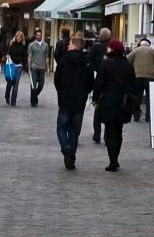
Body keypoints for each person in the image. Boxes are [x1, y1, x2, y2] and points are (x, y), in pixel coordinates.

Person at [51, 33, 96, 171]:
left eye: (70, 44)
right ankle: (71, 158)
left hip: (65, 100)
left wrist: (61, 91)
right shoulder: (87, 62)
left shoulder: (64, 60)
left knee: (61, 128)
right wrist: (84, 92)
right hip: (79, 101)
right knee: (74, 131)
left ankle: (66, 147)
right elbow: (90, 83)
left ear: (74, 46)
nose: (68, 45)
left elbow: (57, 80)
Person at [92, 38, 138, 171]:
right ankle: (115, 158)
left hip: (108, 101)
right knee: (118, 131)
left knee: (110, 131)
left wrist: (95, 98)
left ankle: (112, 160)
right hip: (123, 103)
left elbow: (99, 83)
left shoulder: (106, 64)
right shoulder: (128, 65)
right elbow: (133, 84)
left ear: (112, 50)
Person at [130, 32, 154, 120]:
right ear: (148, 45)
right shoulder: (152, 51)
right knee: (149, 97)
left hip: (138, 76)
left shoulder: (136, 50)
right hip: (149, 77)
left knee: (138, 97)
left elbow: (128, 59)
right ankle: (148, 116)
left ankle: (136, 116)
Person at [26, 30, 50, 107]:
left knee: (41, 85)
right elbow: (29, 57)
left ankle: (35, 95)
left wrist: (48, 68)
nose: (38, 36)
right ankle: (33, 101)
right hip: (34, 67)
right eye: (37, 35)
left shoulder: (45, 45)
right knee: (33, 84)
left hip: (42, 67)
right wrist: (29, 68)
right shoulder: (31, 45)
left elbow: (46, 57)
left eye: (40, 35)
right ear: (35, 36)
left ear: (42, 36)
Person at [2, 31, 25, 105]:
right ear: (15, 37)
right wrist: (7, 55)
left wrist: (24, 66)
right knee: (10, 82)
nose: (19, 38)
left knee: (16, 84)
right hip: (11, 65)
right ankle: (7, 96)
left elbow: (24, 56)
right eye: (18, 36)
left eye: (20, 37)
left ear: (22, 38)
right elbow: (6, 51)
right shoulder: (11, 44)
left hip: (19, 67)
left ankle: (13, 101)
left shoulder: (23, 46)